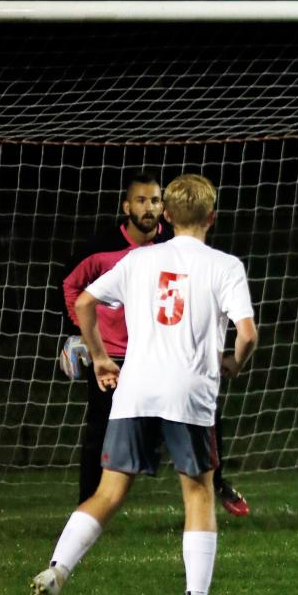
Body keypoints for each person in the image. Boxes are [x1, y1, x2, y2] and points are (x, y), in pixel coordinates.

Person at [32, 174, 258, 595]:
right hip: (189, 395)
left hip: (134, 390)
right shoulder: (225, 265)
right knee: (198, 493)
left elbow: (84, 304)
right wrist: (234, 362)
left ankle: (56, 572)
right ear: (212, 218)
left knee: (109, 491)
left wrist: (98, 358)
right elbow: (248, 334)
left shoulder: (139, 261)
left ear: (167, 216)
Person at [59, 171, 250, 517]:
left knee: (209, 422)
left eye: (155, 200)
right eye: (142, 200)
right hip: (117, 357)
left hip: (164, 357)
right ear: (126, 206)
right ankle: (88, 502)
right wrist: (82, 336)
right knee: (99, 433)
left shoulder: (167, 249)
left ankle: (216, 481)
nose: (149, 207)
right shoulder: (106, 250)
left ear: (166, 210)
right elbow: (75, 292)